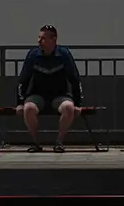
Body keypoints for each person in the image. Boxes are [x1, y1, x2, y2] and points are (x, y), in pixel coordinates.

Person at [15, 25, 83, 153]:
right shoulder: (33, 55)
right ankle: (35, 142)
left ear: (53, 40)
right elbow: (23, 80)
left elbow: (75, 79)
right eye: (39, 37)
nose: (39, 41)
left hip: (60, 95)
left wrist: (78, 104)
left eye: (43, 38)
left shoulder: (64, 54)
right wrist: (19, 103)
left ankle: (59, 142)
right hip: (37, 95)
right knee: (28, 108)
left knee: (68, 107)